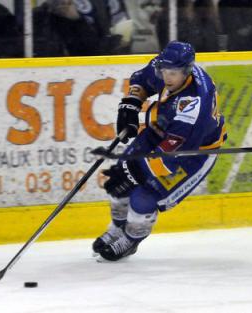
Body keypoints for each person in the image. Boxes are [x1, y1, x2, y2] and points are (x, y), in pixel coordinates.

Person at [93, 41, 226, 261]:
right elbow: (141, 78)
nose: (167, 78)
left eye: (172, 73)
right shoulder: (168, 66)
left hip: (191, 154)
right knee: (117, 177)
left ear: (187, 70)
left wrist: (132, 172)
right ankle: (117, 228)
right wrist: (131, 103)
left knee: (143, 196)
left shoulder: (193, 104)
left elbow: (169, 157)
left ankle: (130, 239)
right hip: (161, 128)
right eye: (164, 71)